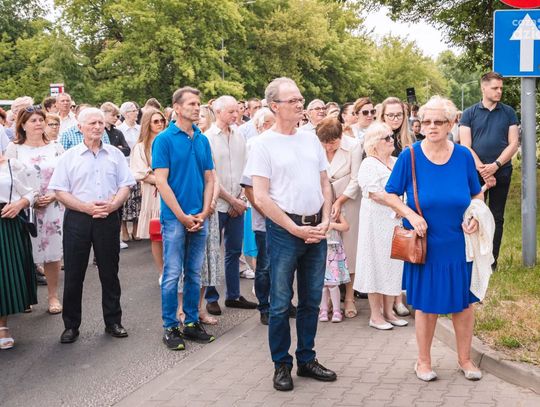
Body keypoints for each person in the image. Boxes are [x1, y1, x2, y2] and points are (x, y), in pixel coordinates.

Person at [244, 77, 336, 391]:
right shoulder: (262, 144)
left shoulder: (310, 140)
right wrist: (293, 227)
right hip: (284, 231)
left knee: (311, 300)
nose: (300, 104)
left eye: (300, 99)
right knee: (281, 303)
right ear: (274, 106)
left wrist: (326, 219)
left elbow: (325, 183)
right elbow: (261, 196)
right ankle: (281, 365)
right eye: (293, 100)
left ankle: (307, 359)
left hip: (316, 227)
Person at [385, 96, 484, 381]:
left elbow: (476, 194)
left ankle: (465, 359)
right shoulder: (410, 156)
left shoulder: (463, 156)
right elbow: (390, 194)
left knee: (463, 304)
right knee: (427, 306)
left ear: (451, 123)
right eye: (425, 121)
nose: (431, 126)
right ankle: (423, 361)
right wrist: (410, 214)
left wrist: (475, 216)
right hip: (424, 243)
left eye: (438, 121)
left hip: (458, 243)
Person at [49, 107, 135, 344]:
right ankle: (71, 326)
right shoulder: (69, 157)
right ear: (80, 128)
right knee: (74, 273)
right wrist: (85, 207)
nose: (97, 127)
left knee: (110, 272)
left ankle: (113, 321)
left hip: (108, 217)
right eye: (92, 123)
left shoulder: (115, 155)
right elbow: (59, 191)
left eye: (100, 122)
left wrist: (114, 205)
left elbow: (126, 184)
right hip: (78, 218)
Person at [152, 86, 216, 350]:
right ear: (177, 108)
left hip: (199, 216)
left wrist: (204, 212)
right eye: (191, 103)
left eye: (198, 103)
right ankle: (170, 326)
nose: (197, 107)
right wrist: (182, 216)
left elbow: (210, 178)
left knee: (194, 272)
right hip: (174, 218)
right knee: (172, 273)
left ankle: (191, 322)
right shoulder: (164, 139)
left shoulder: (202, 139)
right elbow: (161, 182)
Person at [5, 106, 65, 315]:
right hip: (25, 208)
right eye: (33, 120)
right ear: (22, 125)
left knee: (52, 254)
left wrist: (54, 195)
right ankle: (25, 297)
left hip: (53, 206)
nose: (38, 123)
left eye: (41, 120)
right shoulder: (14, 148)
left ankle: (53, 296)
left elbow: (66, 176)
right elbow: (8, 179)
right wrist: (28, 200)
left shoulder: (56, 147)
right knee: (25, 252)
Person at [459, 72, 519, 269]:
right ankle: (473, 258)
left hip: (502, 170)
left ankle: (491, 261)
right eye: (495, 88)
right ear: (483, 88)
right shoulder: (469, 113)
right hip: (474, 172)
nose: (499, 91)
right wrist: (482, 169)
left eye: (501, 88)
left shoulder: (508, 112)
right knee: (472, 213)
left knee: (496, 215)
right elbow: (465, 146)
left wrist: (496, 165)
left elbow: (513, 143)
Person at [204, 95, 257, 315]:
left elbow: (246, 169)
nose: (236, 115)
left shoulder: (239, 136)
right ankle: (211, 297)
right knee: (213, 251)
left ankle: (233, 295)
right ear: (218, 112)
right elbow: (211, 175)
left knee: (234, 251)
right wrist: (232, 200)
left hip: (238, 202)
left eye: (237, 110)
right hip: (218, 203)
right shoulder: (207, 138)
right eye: (231, 111)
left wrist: (241, 199)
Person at [353, 122, 408, 330]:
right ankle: (375, 316)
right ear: (374, 143)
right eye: (386, 138)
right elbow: (374, 193)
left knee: (392, 265)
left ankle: (389, 312)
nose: (391, 140)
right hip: (376, 223)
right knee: (375, 265)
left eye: (391, 136)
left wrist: (403, 207)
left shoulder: (396, 161)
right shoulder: (368, 164)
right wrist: (398, 205)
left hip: (395, 222)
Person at [316, 117, 363, 318]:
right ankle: (326, 298)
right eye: (324, 143)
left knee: (349, 249)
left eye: (332, 142)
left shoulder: (353, 146)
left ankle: (349, 297)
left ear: (340, 136)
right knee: (327, 250)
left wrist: (340, 201)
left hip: (349, 200)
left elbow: (356, 178)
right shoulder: (315, 146)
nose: (328, 146)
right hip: (322, 200)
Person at [0, 149, 37, 349]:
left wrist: (19, 204)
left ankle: (2, 325)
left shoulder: (12, 165)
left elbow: (31, 193)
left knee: (3, 275)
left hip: (6, 223)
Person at [130, 108, 166, 273]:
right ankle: (162, 272)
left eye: (162, 121)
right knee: (157, 235)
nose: (160, 124)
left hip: (171, 192)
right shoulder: (140, 147)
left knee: (173, 234)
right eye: (155, 121)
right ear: (148, 124)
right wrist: (161, 181)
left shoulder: (168, 142)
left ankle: (175, 270)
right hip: (153, 194)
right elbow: (139, 173)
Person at [318, 212, 350, 323]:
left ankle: (336, 310)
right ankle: (323, 309)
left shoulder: (334, 211)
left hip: (333, 250)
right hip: (319, 249)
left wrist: (332, 225)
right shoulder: (317, 211)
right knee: (322, 283)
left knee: (332, 283)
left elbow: (346, 226)